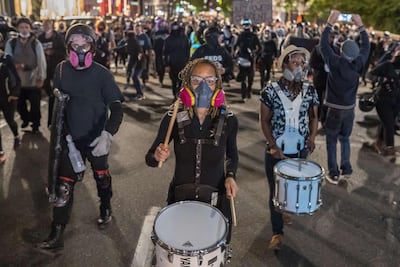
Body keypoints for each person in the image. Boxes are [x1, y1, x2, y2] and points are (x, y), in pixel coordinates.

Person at [36, 23, 124, 250]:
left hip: (96, 140)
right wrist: (55, 131)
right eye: (74, 45)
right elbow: (57, 103)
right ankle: (57, 231)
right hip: (69, 140)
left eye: (84, 45)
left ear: (92, 47)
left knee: (101, 177)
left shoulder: (102, 74)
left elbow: (116, 106)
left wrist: (108, 134)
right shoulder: (61, 70)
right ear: (68, 48)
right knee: (64, 186)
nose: (79, 50)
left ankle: (106, 207)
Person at [145, 58, 238, 244]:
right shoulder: (173, 117)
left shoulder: (228, 119)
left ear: (217, 85)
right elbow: (150, 159)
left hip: (217, 199)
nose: (203, 87)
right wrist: (157, 155)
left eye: (210, 81)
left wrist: (230, 175)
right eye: (196, 80)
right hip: (181, 198)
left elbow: (232, 155)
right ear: (187, 84)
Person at [259, 45, 319, 250]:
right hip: (277, 150)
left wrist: (312, 137)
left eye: (303, 63)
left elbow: (314, 117)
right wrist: (273, 145)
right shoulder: (270, 91)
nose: (300, 67)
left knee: (292, 188)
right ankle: (277, 233)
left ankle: (285, 210)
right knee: (275, 192)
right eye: (295, 62)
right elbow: (264, 120)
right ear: (285, 64)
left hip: (300, 149)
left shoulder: (310, 90)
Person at [320, 10, 370, 185]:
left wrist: (329, 23)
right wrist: (361, 26)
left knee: (331, 140)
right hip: (349, 108)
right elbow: (366, 47)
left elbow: (323, 46)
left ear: (341, 51)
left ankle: (334, 172)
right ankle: (346, 168)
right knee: (345, 138)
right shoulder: (359, 63)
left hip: (334, 107)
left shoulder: (335, 62)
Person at [5, 17, 46, 133]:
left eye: (26, 27)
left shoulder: (35, 43)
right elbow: (7, 59)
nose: (24, 30)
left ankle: (35, 125)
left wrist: (41, 77)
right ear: (18, 29)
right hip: (17, 81)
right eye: (21, 27)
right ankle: (25, 119)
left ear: (30, 29)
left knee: (35, 106)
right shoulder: (11, 43)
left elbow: (41, 61)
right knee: (19, 104)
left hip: (33, 79)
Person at [367, 44, 400, 159]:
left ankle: (378, 143)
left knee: (386, 123)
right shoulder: (387, 65)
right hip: (383, 100)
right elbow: (370, 74)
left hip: (397, 102)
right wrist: (382, 80)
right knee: (389, 123)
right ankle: (389, 147)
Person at [37, 19, 66, 128]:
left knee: (55, 95)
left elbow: (63, 51)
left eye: (47, 24)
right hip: (44, 68)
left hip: (56, 67)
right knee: (49, 91)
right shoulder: (40, 38)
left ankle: (56, 121)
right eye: (44, 25)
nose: (46, 26)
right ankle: (51, 94)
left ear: (52, 26)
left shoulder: (58, 37)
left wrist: (53, 52)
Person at [0, 35, 21, 163]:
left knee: (10, 120)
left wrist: (14, 93)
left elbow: (16, 78)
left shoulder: (7, 59)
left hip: (7, 96)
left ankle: (16, 135)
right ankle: (1, 151)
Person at [234, 19, 261, 101]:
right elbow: (236, 46)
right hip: (245, 58)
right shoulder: (243, 35)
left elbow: (259, 47)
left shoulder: (251, 35)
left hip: (248, 59)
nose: (246, 26)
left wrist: (255, 53)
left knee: (248, 78)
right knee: (246, 77)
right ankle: (245, 93)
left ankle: (247, 92)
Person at [163, 21, 190, 100]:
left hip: (181, 63)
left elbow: (187, 50)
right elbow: (165, 53)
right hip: (174, 63)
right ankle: (176, 95)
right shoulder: (169, 39)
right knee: (175, 80)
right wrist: (166, 64)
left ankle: (178, 95)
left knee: (180, 80)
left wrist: (187, 61)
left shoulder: (183, 38)